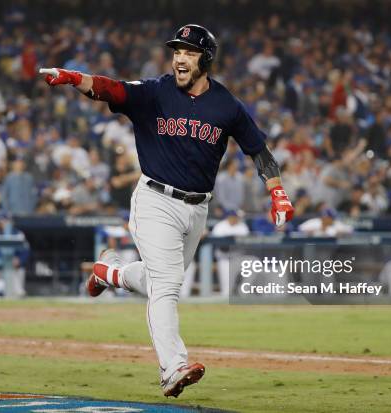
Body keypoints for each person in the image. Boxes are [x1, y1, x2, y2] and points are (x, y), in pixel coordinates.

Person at [40, 24, 294, 397]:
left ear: (205, 58)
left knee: (162, 281)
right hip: (155, 199)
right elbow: (112, 89)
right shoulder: (156, 92)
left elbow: (258, 149)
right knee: (168, 287)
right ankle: (172, 367)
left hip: (197, 210)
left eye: (189, 52)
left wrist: (277, 192)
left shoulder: (226, 104)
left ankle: (110, 272)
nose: (179, 57)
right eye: (176, 50)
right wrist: (74, 78)